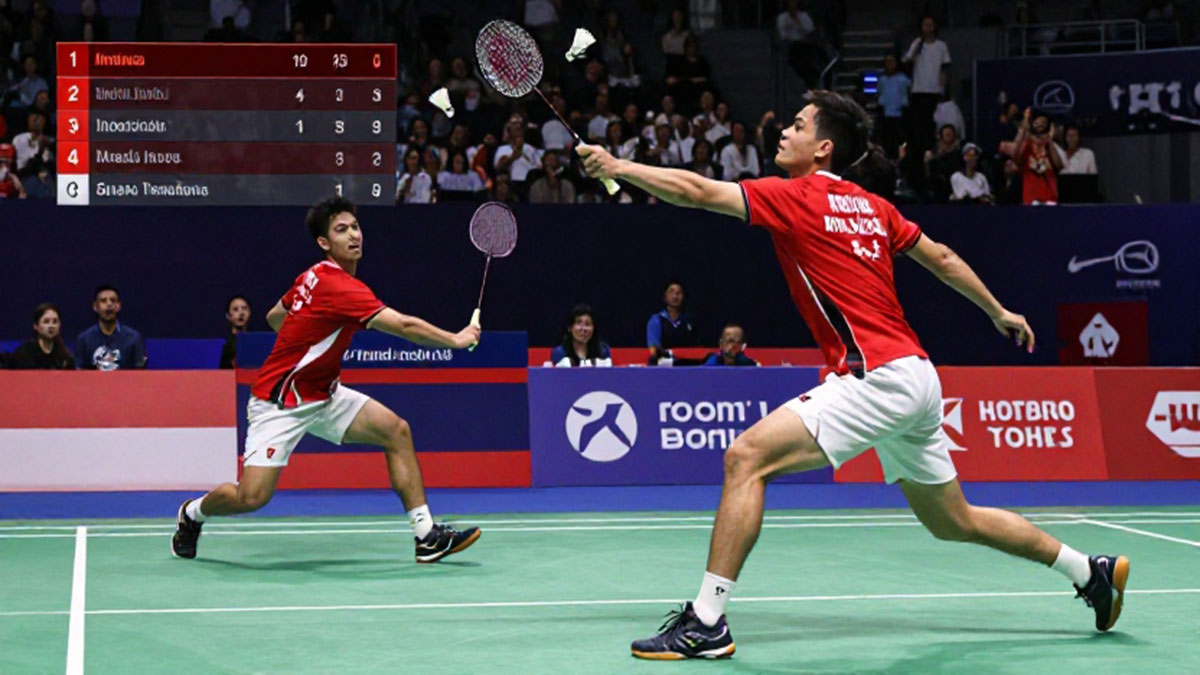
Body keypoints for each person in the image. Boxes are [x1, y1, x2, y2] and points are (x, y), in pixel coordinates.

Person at [578, 89, 1128, 659]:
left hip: (875, 376)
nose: (783, 133)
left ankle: (707, 621)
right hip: (918, 377)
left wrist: (619, 167)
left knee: (746, 458)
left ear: (823, 148)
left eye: (797, 125)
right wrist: (998, 311)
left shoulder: (796, 196)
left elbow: (697, 191)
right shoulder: (872, 207)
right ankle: (1088, 571)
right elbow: (942, 258)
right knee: (953, 521)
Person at [171, 197, 482, 563]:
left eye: (355, 227)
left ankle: (426, 535)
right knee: (251, 497)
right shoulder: (339, 286)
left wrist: (305, 340)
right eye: (341, 230)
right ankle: (192, 513)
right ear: (324, 242)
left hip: (323, 394)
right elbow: (403, 325)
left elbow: (275, 316)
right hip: (280, 403)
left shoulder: (312, 275)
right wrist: (456, 339)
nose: (353, 235)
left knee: (396, 431)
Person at [75, 284, 147, 370]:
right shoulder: (84, 339)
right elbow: (79, 372)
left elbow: (140, 372)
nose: (109, 304)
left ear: (119, 305)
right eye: (103, 301)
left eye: (113, 300)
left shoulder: (134, 338)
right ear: (95, 306)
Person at [1003, 108, 1063, 205]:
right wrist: (1024, 130)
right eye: (1037, 122)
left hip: (1050, 197)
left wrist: (1049, 140)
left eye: (1043, 122)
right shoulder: (1027, 145)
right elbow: (1016, 156)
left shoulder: (1050, 145)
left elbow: (1058, 165)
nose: (1040, 124)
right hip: (1031, 198)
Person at [645, 279, 697, 365]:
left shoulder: (689, 321)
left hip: (687, 365)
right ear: (664, 296)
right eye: (671, 291)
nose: (675, 296)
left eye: (679, 292)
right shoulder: (656, 320)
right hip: (664, 366)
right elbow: (654, 351)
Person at [9, 303, 74, 369]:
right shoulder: (23, 354)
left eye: (55, 322)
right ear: (36, 326)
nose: (51, 326)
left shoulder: (65, 357)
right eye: (46, 322)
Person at [876, 53, 909, 158]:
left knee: (899, 142)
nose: (889, 64)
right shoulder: (882, 79)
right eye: (887, 62)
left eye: (891, 62)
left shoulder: (904, 79)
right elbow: (879, 94)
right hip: (885, 114)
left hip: (899, 114)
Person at [219, 295, 251, 369]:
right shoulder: (226, 345)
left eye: (244, 308)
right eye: (236, 309)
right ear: (228, 316)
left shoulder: (254, 343)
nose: (241, 313)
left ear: (249, 312)